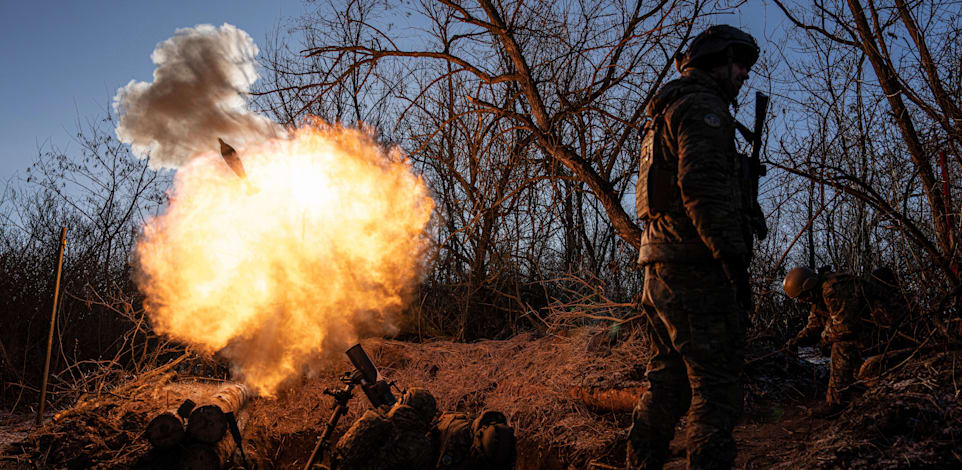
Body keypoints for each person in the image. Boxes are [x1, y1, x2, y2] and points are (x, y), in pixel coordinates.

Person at [628, 25, 762, 470]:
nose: (744, 73)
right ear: (717, 60)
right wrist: (732, 258)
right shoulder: (703, 107)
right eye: (739, 63)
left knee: (668, 382)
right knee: (716, 385)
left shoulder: (667, 111)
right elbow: (701, 188)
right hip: (694, 265)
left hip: (659, 265)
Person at [782, 266, 906, 416]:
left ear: (808, 286)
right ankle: (858, 387)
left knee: (842, 347)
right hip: (871, 327)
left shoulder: (832, 288)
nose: (801, 301)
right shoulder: (818, 295)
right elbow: (815, 325)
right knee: (841, 346)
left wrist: (824, 339)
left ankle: (835, 403)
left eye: (801, 296)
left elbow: (845, 327)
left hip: (887, 327)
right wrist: (797, 340)